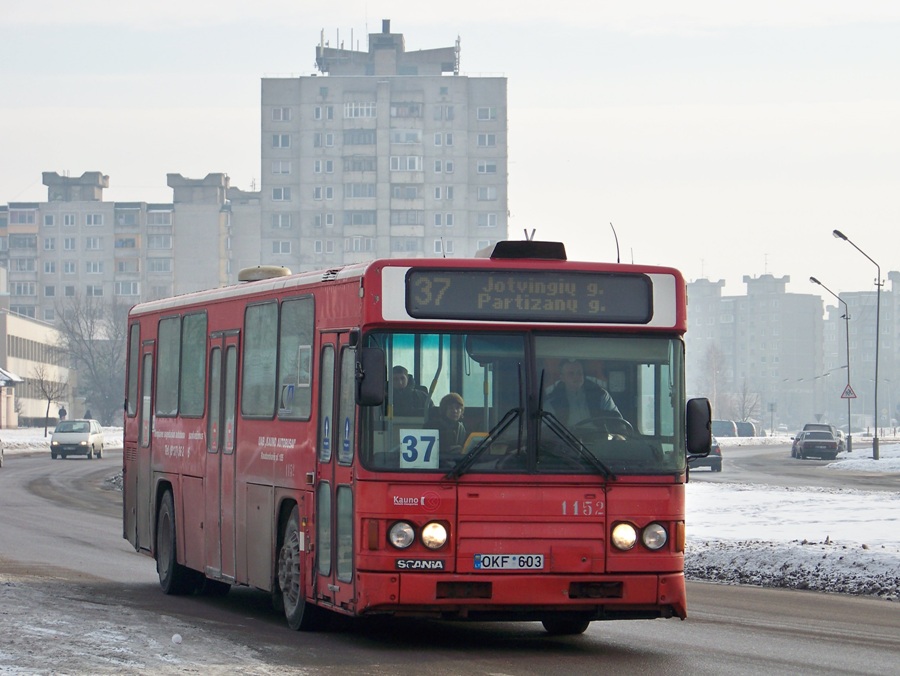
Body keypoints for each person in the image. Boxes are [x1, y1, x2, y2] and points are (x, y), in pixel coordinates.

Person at [544, 359, 620, 425]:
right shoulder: (553, 401)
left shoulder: (601, 396)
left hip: (598, 439)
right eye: (571, 373)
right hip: (566, 440)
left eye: (579, 373)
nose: (576, 377)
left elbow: (617, 421)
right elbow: (547, 430)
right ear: (562, 378)